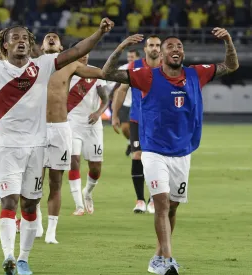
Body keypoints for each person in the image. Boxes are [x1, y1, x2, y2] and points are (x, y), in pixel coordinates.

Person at [0, 17, 113, 274]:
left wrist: (99, 32)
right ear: (5, 44)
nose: (21, 42)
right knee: (9, 201)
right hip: (5, 148)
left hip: (37, 148)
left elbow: (77, 51)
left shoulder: (44, 65)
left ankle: (24, 259)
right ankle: (9, 256)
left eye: (25, 38)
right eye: (15, 38)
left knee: (28, 204)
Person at [101, 29, 238, 275]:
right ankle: (168, 259)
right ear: (161, 54)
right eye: (170, 47)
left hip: (183, 151)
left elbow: (231, 65)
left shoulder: (197, 74)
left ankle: (157, 256)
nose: (176, 50)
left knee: (172, 207)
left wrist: (228, 41)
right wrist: (121, 47)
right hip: (153, 151)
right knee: (162, 204)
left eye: (179, 46)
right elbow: (108, 73)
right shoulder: (146, 76)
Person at [36, 33, 105, 244]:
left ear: (61, 47)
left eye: (54, 38)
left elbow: (103, 73)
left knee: (56, 182)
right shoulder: (31, 65)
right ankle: (36, 224)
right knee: (34, 183)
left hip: (60, 128)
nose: (50, 38)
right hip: (36, 129)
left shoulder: (71, 66)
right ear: (40, 46)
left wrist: (110, 41)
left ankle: (51, 232)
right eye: (47, 37)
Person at [111, 35, 162, 214]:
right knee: (137, 156)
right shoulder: (135, 66)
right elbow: (122, 89)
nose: (154, 48)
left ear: (161, 49)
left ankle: (154, 200)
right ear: (146, 49)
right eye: (151, 45)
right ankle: (140, 199)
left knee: (157, 161)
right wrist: (115, 114)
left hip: (160, 123)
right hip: (137, 120)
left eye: (157, 45)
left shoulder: (167, 67)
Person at [66, 50, 109, 217]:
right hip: (71, 123)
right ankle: (78, 206)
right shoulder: (66, 72)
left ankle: (88, 192)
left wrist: (98, 113)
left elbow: (106, 99)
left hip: (92, 125)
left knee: (96, 168)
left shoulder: (95, 72)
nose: (84, 56)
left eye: (86, 54)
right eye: (81, 54)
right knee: (74, 160)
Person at [106, 49, 140, 156]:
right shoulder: (123, 69)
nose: (130, 59)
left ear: (137, 58)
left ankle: (136, 147)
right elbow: (114, 85)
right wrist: (111, 95)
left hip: (138, 103)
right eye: (129, 57)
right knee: (125, 128)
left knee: (138, 129)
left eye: (132, 57)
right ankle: (131, 142)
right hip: (125, 102)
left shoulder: (144, 68)